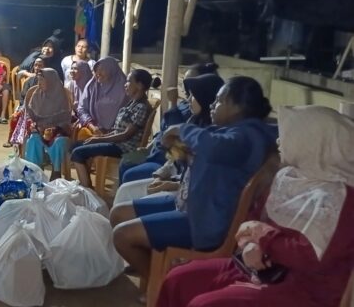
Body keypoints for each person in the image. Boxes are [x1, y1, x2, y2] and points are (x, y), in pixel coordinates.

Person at [157, 105, 354, 307]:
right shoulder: (290, 177)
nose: (279, 141)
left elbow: (310, 257)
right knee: (177, 280)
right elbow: (255, 218)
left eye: (289, 136)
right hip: (259, 268)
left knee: (204, 304)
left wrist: (263, 240)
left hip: (302, 290)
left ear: (314, 144)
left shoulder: (341, 198)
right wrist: (251, 243)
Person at [110, 76, 277, 282]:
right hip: (191, 204)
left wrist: (181, 129)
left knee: (122, 236)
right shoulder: (230, 131)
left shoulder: (248, 137)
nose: (212, 105)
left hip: (206, 223)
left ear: (237, 106)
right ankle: (159, 275)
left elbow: (214, 147)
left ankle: (160, 286)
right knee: (119, 213)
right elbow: (197, 160)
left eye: (219, 101)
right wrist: (178, 150)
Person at [111, 74, 225, 208]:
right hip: (167, 167)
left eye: (192, 95)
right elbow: (175, 154)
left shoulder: (208, 135)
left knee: (128, 181)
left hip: (181, 190)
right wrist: (160, 174)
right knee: (125, 178)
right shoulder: (194, 120)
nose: (188, 99)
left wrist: (170, 183)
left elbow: (192, 172)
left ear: (204, 97)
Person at [118, 62, 220, 184]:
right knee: (126, 162)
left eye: (190, 82)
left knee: (129, 172)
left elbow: (176, 140)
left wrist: (172, 102)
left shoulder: (198, 115)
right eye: (184, 82)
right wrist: (148, 147)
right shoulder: (187, 106)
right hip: (156, 152)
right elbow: (163, 131)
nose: (186, 86)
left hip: (164, 158)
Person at [70, 69, 154, 187]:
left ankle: (87, 189)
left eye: (129, 81)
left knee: (77, 153)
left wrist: (99, 139)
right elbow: (117, 131)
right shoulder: (132, 103)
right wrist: (100, 137)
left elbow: (126, 135)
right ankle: (86, 185)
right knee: (76, 145)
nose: (125, 85)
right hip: (117, 142)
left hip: (124, 147)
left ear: (139, 85)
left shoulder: (142, 107)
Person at [22, 68, 73, 180]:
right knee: (33, 140)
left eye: (42, 81)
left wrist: (54, 128)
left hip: (59, 131)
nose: (39, 84)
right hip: (40, 130)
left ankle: (56, 171)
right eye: (38, 80)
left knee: (59, 142)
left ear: (51, 81)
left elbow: (66, 120)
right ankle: (35, 171)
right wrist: (34, 125)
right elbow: (30, 115)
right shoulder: (36, 94)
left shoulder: (62, 96)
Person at [75, 57, 128, 141]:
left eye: (102, 69)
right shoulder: (92, 86)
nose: (98, 73)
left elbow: (128, 117)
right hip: (93, 131)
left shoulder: (125, 89)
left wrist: (109, 134)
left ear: (112, 70)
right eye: (96, 70)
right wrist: (93, 127)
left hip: (117, 136)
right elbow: (81, 109)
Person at [4, 57, 46, 148]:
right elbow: (23, 96)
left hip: (42, 108)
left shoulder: (47, 82)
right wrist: (22, 107)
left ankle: (26, 142)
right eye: (36, 65)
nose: (37, 67)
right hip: (26, 106)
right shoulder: (29, 81)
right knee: (15, 116)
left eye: (40, 65)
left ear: (44, 67)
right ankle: (12, 139)